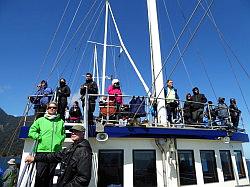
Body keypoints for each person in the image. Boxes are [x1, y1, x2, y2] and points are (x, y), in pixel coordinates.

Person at [25, 125, 92, 187]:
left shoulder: (84, 151)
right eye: (72, 131)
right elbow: (55, 156)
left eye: (76, 131)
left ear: (83, 133)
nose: (73, 133)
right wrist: (35, 158)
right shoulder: (71, 147)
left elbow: (83, 178)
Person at [28, 102, 66, 187]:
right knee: (40, 176)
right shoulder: (40, 120)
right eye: (50, 107)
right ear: (47, 109)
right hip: (42, 151)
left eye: (54, 108)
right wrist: (39, 137)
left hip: (55, 152)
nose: (52, 109)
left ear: (56, 109)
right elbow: (31, 132)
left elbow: (63, 134)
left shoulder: (60, 121)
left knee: (50, 176)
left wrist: (60, 139)